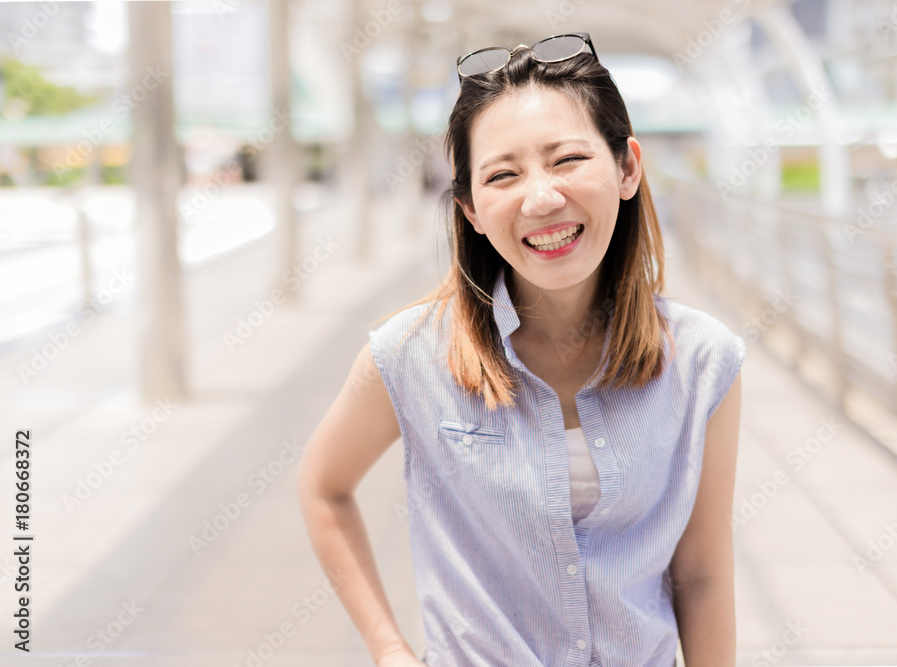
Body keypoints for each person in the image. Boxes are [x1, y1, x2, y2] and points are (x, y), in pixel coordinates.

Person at [297, 32, 745, 667]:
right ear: (471, 208)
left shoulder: (703, 360)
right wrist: (388, 649)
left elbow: (700, 572)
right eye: (502, 175)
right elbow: (323, 486)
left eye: (566, 160)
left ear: (626, 167)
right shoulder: (407, 355)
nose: (541, 198)